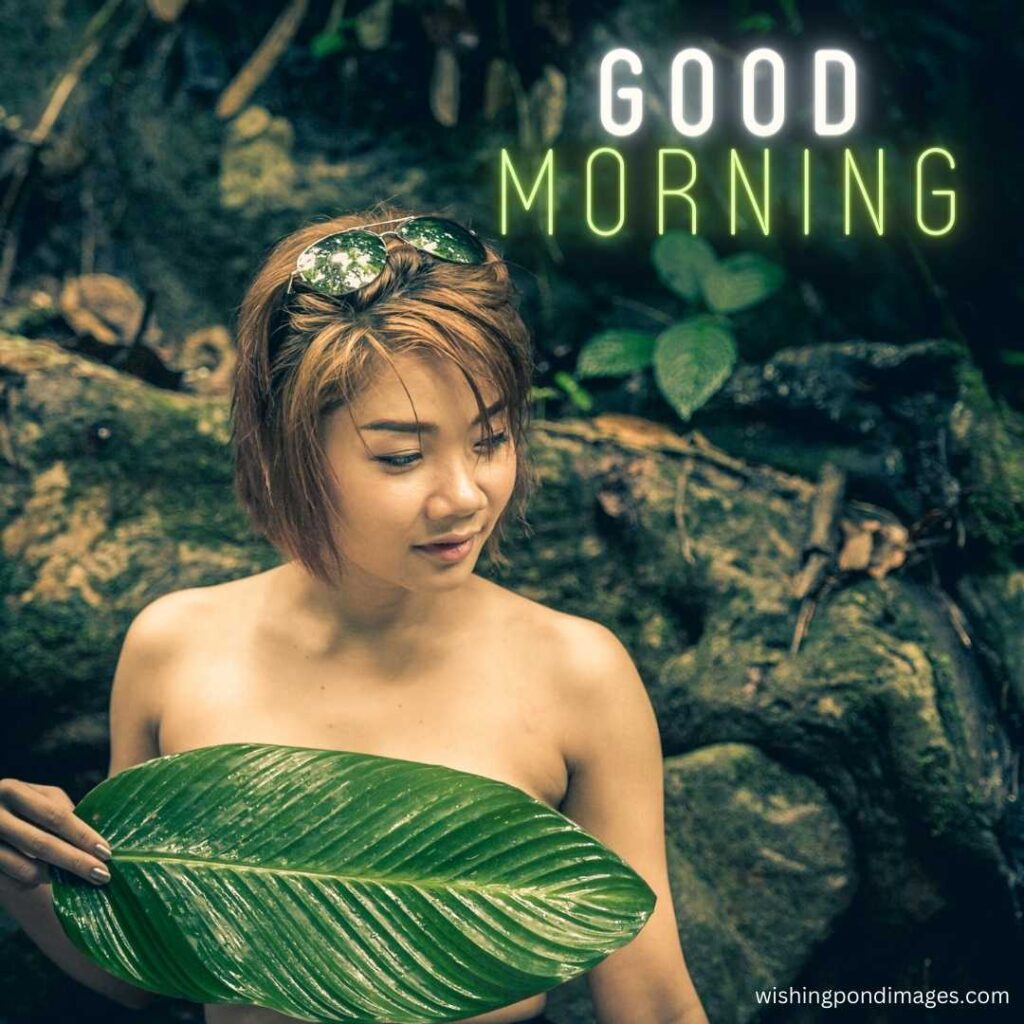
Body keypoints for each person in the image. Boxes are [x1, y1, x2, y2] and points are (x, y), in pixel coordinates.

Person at [0, 205, 709, 1024]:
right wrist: (22, 876)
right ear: (284, 448)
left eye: (489, 439)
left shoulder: (577, 674)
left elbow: (651, 1002)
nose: (464, 495)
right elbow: (150, 967)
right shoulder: (175, 648)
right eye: (401, 456)